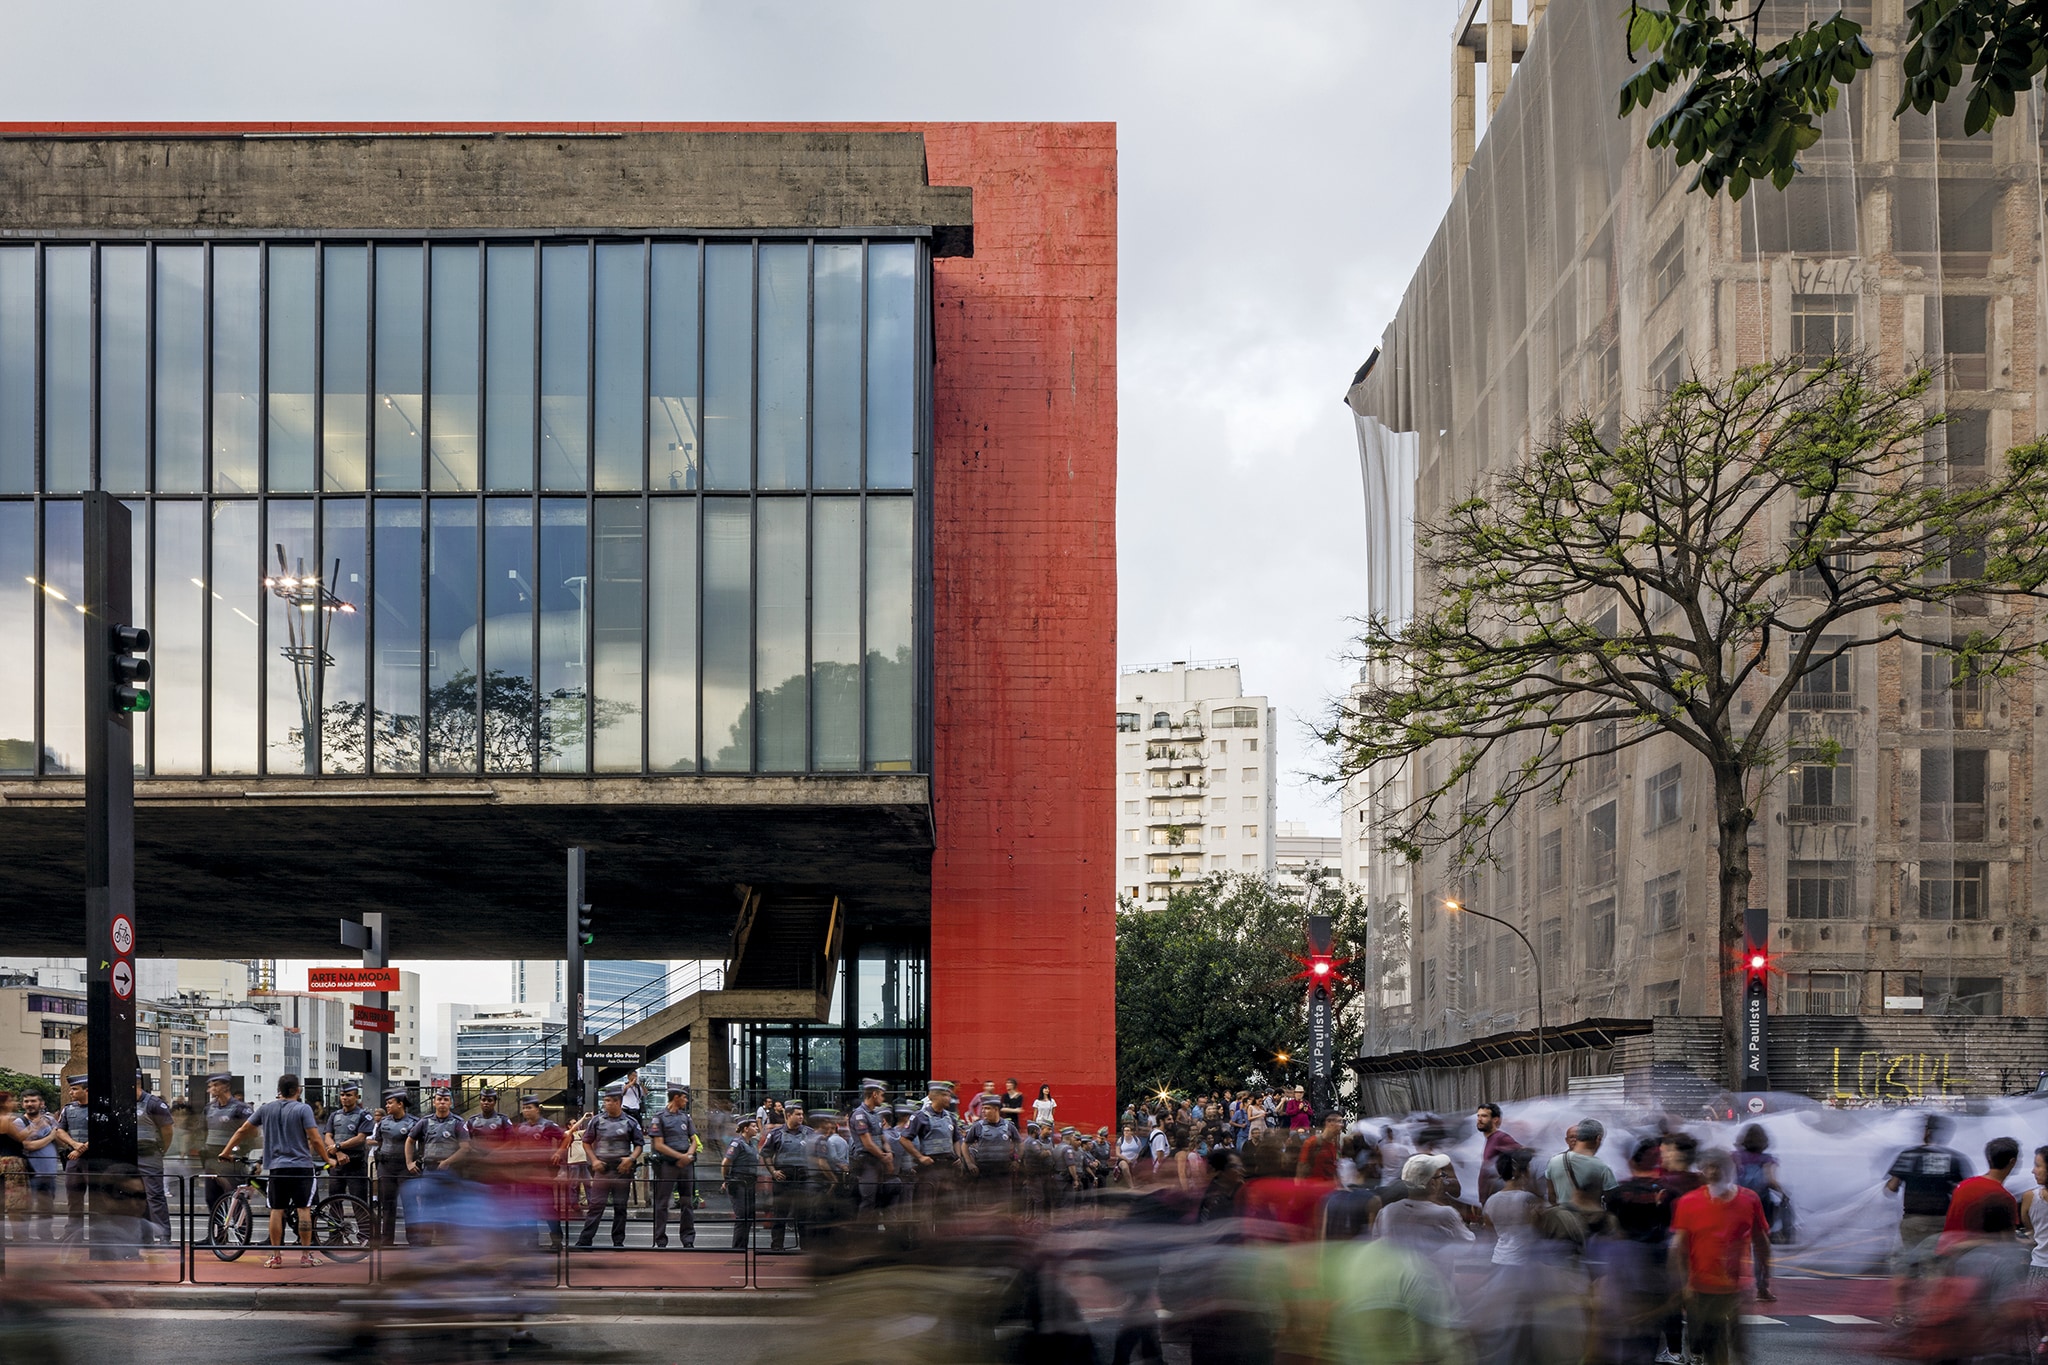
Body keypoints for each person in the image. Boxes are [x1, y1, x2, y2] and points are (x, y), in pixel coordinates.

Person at [219, 1073, 332, 1270]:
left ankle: (276, 1256)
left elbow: (242, 1130)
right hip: (301, 1167)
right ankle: (306, 1256)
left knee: (276, 1210)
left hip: (277, 1168)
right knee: (304, 1210)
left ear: (279, 1089)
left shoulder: (266, 1108)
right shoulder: (303, 1109)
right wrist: (327, 1159)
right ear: (298, 1090)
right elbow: (314, 1138)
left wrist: (226, 1151)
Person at [1669, 1148, 1771, 1365]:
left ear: (1731, 1169)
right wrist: (1684, 1284)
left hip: (1737, 1286)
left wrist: (1764, 1281)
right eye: (1708, 1167)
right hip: (1703, 1286)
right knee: (1714, 1345)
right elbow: (1680, 1247)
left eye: (1718, 1166)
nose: (1713, 1171)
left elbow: (1761, 1241)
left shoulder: (1749, 1199)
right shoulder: (1689, 1201)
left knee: (1739, 1344)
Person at [1885, 1112, 1971, 1322]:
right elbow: (1962, 1190)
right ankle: (1933, 1312)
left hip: (1913, 1220)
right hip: (1941, 1221)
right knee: (1936, 1266)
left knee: (1906, 1265)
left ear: (1926, 1132)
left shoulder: (1908, 1156)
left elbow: (1891, 1188)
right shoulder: (1954, 1158)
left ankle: (1902, 1313)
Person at [574, 1083, 643, 1248]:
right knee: (595, 1206)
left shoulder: (630, 1122)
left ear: (618, 1101)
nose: (605, 1104)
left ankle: (618, 1242)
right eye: (604, 1100)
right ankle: (585, 1241)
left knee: (621, 1208)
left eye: (609, 1101)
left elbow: (639, 1144)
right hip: (602, 1170)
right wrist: (594, 1160)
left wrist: (631, 1159)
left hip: (622, 1170)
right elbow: (586, 1142)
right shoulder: (597, 1121)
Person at [1376, 1153, 1475, 1249]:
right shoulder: (1445, 1214)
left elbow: (1377, 1242)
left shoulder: (1387, 1211)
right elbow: (1468, 1243)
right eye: (1441, 1175)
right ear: (1433, 1183)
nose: (1443, 1180)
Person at [1940, 1134, 2020, 1253]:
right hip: (1972, 1257)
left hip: (1948, 1250)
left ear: (1989, 1159)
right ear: (2012, 1162)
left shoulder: (1964, 1185)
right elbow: (2008, 1242)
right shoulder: (2003, 1197)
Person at [899, 1080, 965, 1218]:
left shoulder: (950, 1117)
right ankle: (924, 1238)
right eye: (945, 1095)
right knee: (926, 1207)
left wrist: (958, 1156)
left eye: (949, 1095)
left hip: (947, 1167)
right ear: (934, 1096)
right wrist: (920, 1157)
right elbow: (904, 1139)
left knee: (947, 1207)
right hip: (930, 1168)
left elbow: (956, 1138)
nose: (949, 1098)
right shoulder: (920, 1116)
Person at [647, 1081, 697, 1249]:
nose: (686, 1101)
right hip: (667, 1165)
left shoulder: (685, 1117)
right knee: (662, 1203)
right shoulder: (659, 1117)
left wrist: (688, 1155)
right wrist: (680, 1157)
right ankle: (660, 1240)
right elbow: (658, 1144)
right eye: (684, 1098)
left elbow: (694, 1140)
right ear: (676, 1098)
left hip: (686, 1164)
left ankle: (688, 1239)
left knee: (687, 1202)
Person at [760, 1101, 815, 1251]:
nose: (801, 1117)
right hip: (784, 1179)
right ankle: (777, 1246)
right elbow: (766, 1154)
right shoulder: (776, 1134)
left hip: (804, 1178)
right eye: (798, 1114)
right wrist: (773, 1172)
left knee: (804, 1214)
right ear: (788, 1115)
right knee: (780, 1213)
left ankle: (806, 1247)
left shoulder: (810, 1133)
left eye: (802, 1114)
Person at [369, 1088, 418, 1246]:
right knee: (387, 1204)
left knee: (409, 1203)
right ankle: (386, 1239)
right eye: (387, 1103)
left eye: (390, 1103)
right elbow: (379, 1141)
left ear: (400, 1104)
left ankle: (413, 1238)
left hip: (404, 1166)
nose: (387, 1106)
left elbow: (420, 1144)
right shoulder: (383, 1122)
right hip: (386, 1165)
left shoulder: (413, 1122)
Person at [1545, 1117, 1615, 1222]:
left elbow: (1551, 1196)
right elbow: (1612, 1201)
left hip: (1563, 1222)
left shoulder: (1554, 1161)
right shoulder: (1601, 1167)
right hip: (1590, 1223)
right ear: (1598, 1139)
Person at [1731, 1123, 1787, 1255]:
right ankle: (1762, 1265)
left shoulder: (1735, 1156)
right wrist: (1783, 1193)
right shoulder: (1767, 1159)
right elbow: (1770, 1180)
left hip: (1739, 1198)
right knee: (1761, 1233)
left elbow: (1728, 1177)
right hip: (1760, 1200)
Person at [1483, 1147, 1542, 1267]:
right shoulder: (1528, 1199)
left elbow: (1491, 1230)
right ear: (1523, 1172)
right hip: (1522, 1261)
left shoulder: (1490, 1201)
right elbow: (1538, 1229)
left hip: (1498, 1258)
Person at [16, 1090, 63, 1240]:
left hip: (49, 1172)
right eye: (26, 1101)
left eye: (33, 1101)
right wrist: (50, 1136)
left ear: (41, 1103)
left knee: (46, 1207)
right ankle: (23, 1237)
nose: (29, 1104)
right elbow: (27, 1146)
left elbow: (60, 1138)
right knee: (26, 1207)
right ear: (22, 1104)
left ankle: (45, 1236)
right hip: (29, 1172)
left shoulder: (49, 1120)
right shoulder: (18, 1123)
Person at [133, 1071, 173, 1240]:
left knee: (155, 1197)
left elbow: (167, 1131)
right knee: (136, 1197)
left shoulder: (153, 1103)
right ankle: (145, 1236)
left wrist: (161, 1149)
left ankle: (164, 1236)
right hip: (130, 1155)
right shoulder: (122, 1101)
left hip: (149, 1154)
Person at [848, 1079, 894, 1223]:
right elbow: (867, 1144)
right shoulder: (859, 1115)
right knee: (868, 1199)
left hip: (877, 1161)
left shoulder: (876, 1115)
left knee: (878, 1199)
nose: (883, 1098)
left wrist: (889, 1152)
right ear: (874, 1094)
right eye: (881, 1095)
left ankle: (872, 1235)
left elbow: (882, 1138)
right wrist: (884, 1158)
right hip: (866, 1162)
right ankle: (863, 1236)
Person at [2016, 1145, 2048, 1351]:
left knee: (2037, 1331)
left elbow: (2031, 1231)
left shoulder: (2030, 1197)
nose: (2033, 1170)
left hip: (2040, 1272)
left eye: (2037, 1165)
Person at [322, 1083, 374, 1204]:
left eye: (349, 1095)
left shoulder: (364, 1115)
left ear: (357, 1097)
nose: (344, 1098)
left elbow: (361, 1138)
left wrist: (338, 1146)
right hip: (337, 1163)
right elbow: (328, 1136)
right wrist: (338, 1152)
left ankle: (363, 1224)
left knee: (359, 1202)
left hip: (355, 1163)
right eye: (342, 1095)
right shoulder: (334, 1115)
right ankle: (335, 1223)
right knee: (334, 1201)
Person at [54, 1074, 92, 1238]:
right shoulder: (68, 1109)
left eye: (75, 1089)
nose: (71, 1092)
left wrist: (80, 1148)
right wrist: (74, 1145)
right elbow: (59, 1130)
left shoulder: (100, 1108)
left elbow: (103, 1131)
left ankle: (101, 1235)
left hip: (94, 1160)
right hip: (74, 1160)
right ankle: (73, 1234)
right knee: (74, 1198)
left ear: (87, 1090)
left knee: (99, 1198)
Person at [963, 1093, 1020, 1201]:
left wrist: (1017, 1160)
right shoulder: (978, 1126)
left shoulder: (1009, 1126)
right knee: (984, 1202)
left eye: (987, 1108)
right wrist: (969, 1163)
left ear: (996, 1109)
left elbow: (1020, 1143)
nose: (982, 1111)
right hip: (984, 1173)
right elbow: (965, 1144)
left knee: (1004, 1202)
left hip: (1003, 1172)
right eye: (983, 1108)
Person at [405, 1087, 470, 1178]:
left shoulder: (458, 1123)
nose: (442, 1102)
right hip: (429, 1169)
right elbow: (410, 1141)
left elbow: (465, 1148)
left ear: (450, 1103)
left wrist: (447, 1162)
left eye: (446, 1099)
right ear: (434, 1102)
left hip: (451, 1170)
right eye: (439, 1099)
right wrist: (409, 1163)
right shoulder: (425, 1121)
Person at [722, 1113, 763, 1249]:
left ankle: (743, 1246)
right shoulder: (737, 1143)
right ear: (745, 1129)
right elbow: (726, 1162)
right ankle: (738, 1249)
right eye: (753, 1126)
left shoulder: (752, 1143)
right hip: (739, 1182)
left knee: (749, 1216)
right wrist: (726, 1179)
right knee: (742, 1215)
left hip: (750, 1182)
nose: (756, 1128)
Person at [1474, 1101, 1519, 1201]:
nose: (1479, 1119)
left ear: (1495, 1120)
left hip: (1498, 1199)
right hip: (1489, 1200)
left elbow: (1523, 1153)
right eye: (1478, 1116)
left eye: (1484, 1116)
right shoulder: (1490, 1139)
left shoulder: (1500, 1138)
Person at [1297, 1111, 1345, 1184]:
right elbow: (1301, 1169)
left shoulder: (1336, 1144)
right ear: (1328, 1122)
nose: (1341, 1125)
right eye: (1338, 1121)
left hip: (1330, 1190)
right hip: (1314, 1189)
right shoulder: (1312, 1142)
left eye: (1341, 1121)